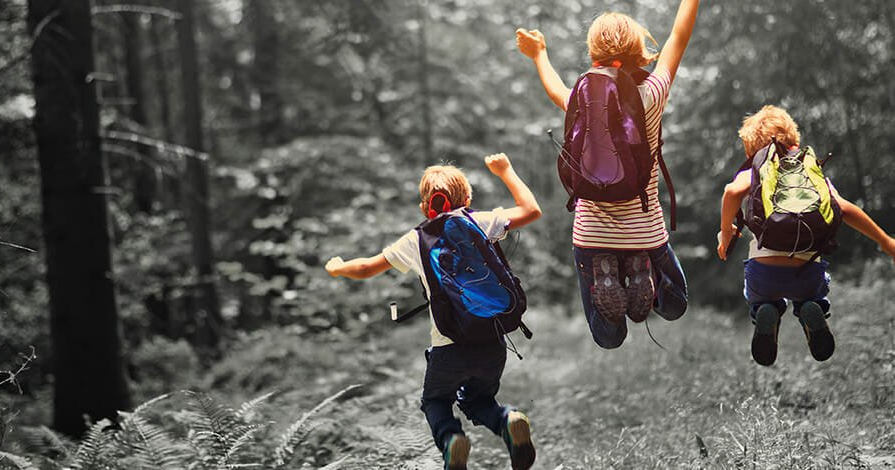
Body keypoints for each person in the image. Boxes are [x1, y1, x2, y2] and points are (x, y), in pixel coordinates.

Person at [325, 153, 542, 470]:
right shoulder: (479, 222)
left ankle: (452, 440)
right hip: (492, 341)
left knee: (436, 401)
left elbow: (366, 268)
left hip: (447, 346)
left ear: (425, 207)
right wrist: (505, 170)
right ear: (466, 198)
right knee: (479, 400)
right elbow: (531, 210)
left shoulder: (415, 239)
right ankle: (508, 421)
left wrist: (339, 268)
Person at [514, 0, 699, 348]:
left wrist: (539, 54)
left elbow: (555, 88)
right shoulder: (652, 93)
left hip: (591, 235)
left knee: (609, 337)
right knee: (675, 305)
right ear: (636, 49)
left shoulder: (582, 100)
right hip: (645, 232)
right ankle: (646, 276)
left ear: (594, 50)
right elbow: (679, 35)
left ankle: (609, 276)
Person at [716, 105, 895, 366]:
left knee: (759, 297)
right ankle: (811, 308)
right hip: (807, 273)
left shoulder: (756, 168)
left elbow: (732, 192)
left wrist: (725, 231)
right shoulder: (811, 172)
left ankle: (766, 310)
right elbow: (845, 209)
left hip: (763, 274)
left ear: (750, 150)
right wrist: (886, 242)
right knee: (812, 296)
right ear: (795, 140)